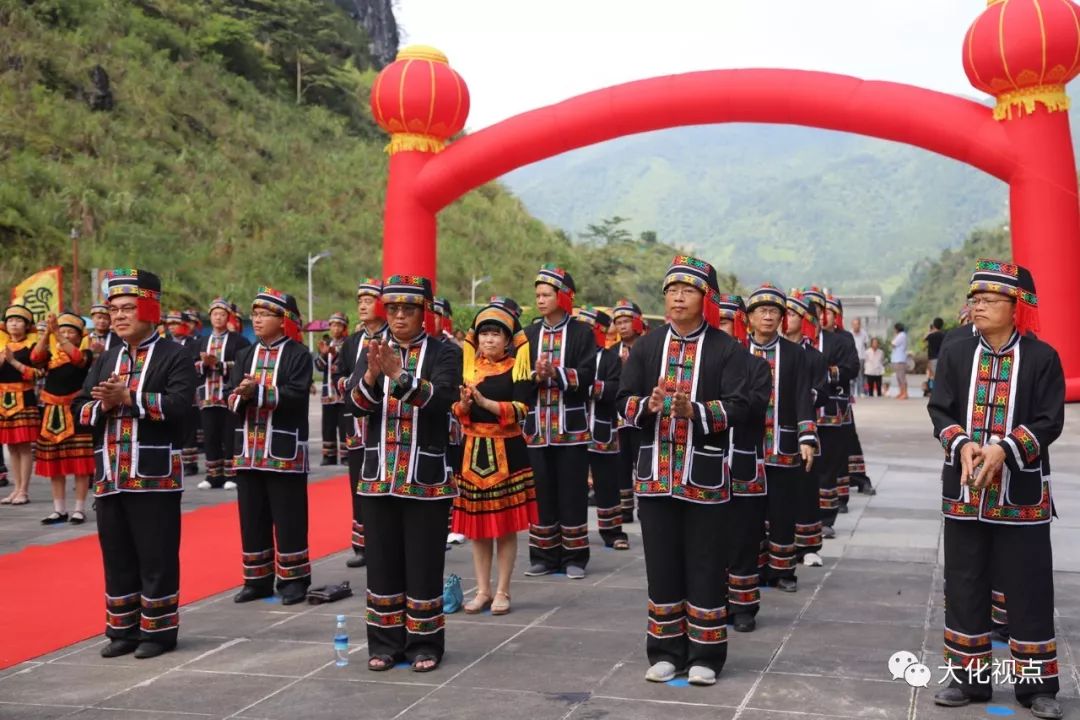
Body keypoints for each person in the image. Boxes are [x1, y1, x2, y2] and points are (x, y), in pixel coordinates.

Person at [929, 259, 1064, 720]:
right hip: (965, 493)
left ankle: (1036, 686)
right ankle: (968, 680)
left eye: (989, 299)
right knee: (963, 583)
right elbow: (940, 410)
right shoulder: (955, 350)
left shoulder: (1043, 358)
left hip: (1021, 496)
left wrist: (1005, 449)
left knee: (1028, 588)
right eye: (975, 298)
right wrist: (962, 444)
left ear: (1017, 305)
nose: (979, 306)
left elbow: (1050, 421)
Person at [617, 255, 748, 687]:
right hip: (655, 475)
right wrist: (645, 406)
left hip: (705, 478)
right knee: (662, 565)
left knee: (707, 565)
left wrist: (697, 410)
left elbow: (745, 405)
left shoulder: (726, 349)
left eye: (687, 289)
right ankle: (666, 650)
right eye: (671, 289)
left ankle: (707, 653)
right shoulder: (647, 346)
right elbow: (621, 399)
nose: (677, 296)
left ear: (705, 298)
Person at [73, 268, 195, 659]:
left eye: (128, 308)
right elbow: (79, 409)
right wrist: (103, 405)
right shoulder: (105, 358)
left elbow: (179, 407)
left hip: (154, 476)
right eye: (114, 309)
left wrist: (131, 398)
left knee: (156, 553)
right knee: (117, 554)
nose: (119, 316)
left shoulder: (175, 355)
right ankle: (121, 629)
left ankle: (158, 632)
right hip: (110, 474)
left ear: (149, 310)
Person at [347, 275, 459, 673]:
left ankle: (424, 643)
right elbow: (355, 406)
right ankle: (384, 642)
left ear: (423, 312)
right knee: (381, 563)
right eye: (391, 309)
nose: (397, 317)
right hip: (378, 476)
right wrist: (374, 375)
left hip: (426, 478)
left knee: (424, 563)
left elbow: (442, 398)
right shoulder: (371, 349)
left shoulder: (445, 351)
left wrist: (400, 376)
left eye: (406, 310)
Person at [227, 288, 313, 606]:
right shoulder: (245, 355)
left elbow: (296, 394)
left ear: (283, 320)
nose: (258, 319)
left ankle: (294, 579)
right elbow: (229, 393)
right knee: (252, 516)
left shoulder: (298, 355)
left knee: (288, 517)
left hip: (283, 452)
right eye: (256, 313)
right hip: (248, 451)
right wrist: (241, 394)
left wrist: (258, 391)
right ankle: (257, 578)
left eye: (265, 314)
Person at [452, 300, 537, 615]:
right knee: (476, 528)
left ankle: (503, 590)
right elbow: (458, 413)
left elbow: (521, 410)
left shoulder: (519, 367)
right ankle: (483, 590)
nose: (489, 339)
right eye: (484, 333)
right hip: (472, 452)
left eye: (496, 334)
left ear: (508, 339)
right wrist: (462, 403)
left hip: (508, 453)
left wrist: (486, 402)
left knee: (504, 527)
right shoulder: (468, 368)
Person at [523, 264, 597, 579]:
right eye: (537, 295)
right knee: (541, 492)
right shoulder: (529, 333)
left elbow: (589, 375)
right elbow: (517, 377)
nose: (540, 300)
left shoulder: (581, 332)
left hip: (571, 428)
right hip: (537, 428)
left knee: (572, 492)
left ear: (562, 297)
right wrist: (533, 376)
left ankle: (575, 557)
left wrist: (556, 373)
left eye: (546, 294)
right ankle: (543, 555)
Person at [746, 285, 817, 595]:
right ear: (748, 317)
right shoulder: (737, 351)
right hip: (746, 448)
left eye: (774, 311)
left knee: (782, 510)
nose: (767, 316)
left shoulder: (793, 353)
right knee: (749, 511)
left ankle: (783, 570)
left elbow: (803, 395)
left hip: (782, 444)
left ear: (782, 318)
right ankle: (755, 567)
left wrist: (806, 437)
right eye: (761, 310)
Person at [715, 294, 770, 631]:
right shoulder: (702, 361)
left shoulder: (757, 366)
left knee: (745, 536)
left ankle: (744, 606)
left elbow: (754, 408)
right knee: (710, 539)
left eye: (725, 321)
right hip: (706, 466)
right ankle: (714, 600)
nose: (720, 327)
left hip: (744, 463)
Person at [336, 279, 388, 568]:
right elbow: (339, 374)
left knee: (380, 484)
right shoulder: (352, 342)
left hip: (382, 425)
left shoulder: (391, 337)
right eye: (360, 300)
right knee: (357, 485)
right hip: (355, 427)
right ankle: (362, 545)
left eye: (368, 300)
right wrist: (347, 383)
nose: (362, 305)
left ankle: (382, 543)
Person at [802, 288, 858, 538]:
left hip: (832, 413)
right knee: (807, 468)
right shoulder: (797, 346)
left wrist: (824, 373)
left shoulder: (839, 341)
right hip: (806, 415)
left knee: (829, 467)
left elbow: (851, 368)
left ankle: (827, 518)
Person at [31, 312, 94, 524]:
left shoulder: (85, 353)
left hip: (75, 410)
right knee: (54, 463)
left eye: (70, 332)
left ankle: (79, 508)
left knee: (80, 464)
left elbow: (77, 359)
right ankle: (59, 509)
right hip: (52, 412)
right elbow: (34, 358)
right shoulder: (50, 356)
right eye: (63, 330)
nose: (65, 334)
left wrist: (57, 333)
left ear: (78, 336)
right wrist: (47, 333)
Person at [577, 306, 629, 550]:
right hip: (571, 432)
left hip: (602, 430)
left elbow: (616, 389)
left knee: (607, 484)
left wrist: (583, 386)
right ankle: (573, 534)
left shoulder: (609, 358)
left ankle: (613, 532)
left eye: (587, 328)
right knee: (573, 485)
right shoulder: (571, 357)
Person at [783, 290, 829, 566]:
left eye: (791, 314)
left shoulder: (814, 357)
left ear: (803, 319)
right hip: (772, 431)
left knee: (804, 487)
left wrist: (799, 396)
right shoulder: (763, 351)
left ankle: (808, 546)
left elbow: (822, 392)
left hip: (803, 428)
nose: (785, 318)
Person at [195, 298, 250, 490]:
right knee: (210, 436)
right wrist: (203, 364)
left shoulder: (239, 341)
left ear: (228, 317)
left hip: (228, 395)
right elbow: (191, 366)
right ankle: (213, 475)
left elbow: (243, 366)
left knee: (229, 435)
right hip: (208, 396)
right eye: (215, 314)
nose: (218, 317)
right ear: (210, 317)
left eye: (222, 314)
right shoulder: (201, 341)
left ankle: (231, 474)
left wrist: (219, 364)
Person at [0, 304, 41, 506]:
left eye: (18, 321)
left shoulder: (33, 346)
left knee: (24, 446)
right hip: (2, 399)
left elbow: (38, 373)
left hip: (23, 396)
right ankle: (15, 489)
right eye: (10, 320)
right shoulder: (1, 345)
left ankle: (24, 489)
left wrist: (13, 362)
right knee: (11, 446)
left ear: (26, 325)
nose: (14, 324)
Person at [611, 298, 645, 524]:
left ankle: (646, 504)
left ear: (637, 322)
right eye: (619, 322)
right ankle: (624, 509)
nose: (622, 326)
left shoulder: (649, 346)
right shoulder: (611, 351)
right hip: (620, 418)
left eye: (626, 321)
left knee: (642, 462)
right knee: (621, 464)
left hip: (644, 415)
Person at [314, 312, 349, 466]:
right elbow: (319, 367)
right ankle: (329, 455)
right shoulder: (326, 344)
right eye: (333, 325)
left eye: (339, 325)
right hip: (328, 392)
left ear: (344, 327)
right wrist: (323, 354)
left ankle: (346, 455)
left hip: (342, 392)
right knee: (328, 425)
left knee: (343, 425)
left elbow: (345, 366)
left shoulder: (348, 344)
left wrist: (334, 354)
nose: (335, 328)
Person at [924, 317, 945, 395]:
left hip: (933, 358)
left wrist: (930, 331)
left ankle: (936, 392)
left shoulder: (931, 335)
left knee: (934, 376)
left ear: (934, 325)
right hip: (942, 357)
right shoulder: (944, 334)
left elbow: (924, 339)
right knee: (940, 375)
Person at [850, 317, 869, 396]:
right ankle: (851, 393)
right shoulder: (849, 333)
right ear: (852, 325)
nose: (856, 326)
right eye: (854, 324)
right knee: (851, 375)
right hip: (852, 357)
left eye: (857, 324)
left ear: (860, 325)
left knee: (860, 375)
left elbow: (866, 345)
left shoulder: (864, 333)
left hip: (861, 357)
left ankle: (861, 392)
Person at [890, 322, 909, 400]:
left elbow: (893, 344)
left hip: (900, 359)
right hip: (897, 359)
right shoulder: (900, 335)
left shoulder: (901, 335)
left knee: (901, 377)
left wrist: (894, 337)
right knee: (898, 377)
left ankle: (905, 393)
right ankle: (901, 392)